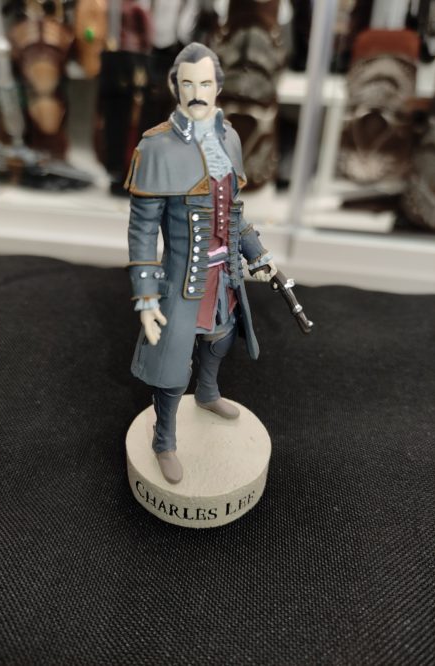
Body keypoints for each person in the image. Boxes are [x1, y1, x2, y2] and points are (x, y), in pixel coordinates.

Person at [125, 42, 277, 484]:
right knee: (172, 367)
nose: (196, 92)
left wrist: (257, 254)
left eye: (205, 83)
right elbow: (142, 231)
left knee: (221, 337)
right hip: (180, 277)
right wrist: (146, 296)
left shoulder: (229, 137)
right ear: (175, 85)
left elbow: (234, 212)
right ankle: (164, 440)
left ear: (217, 87)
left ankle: (208, 393)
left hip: (224, 272)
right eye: (188, 83)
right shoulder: (155, 147)